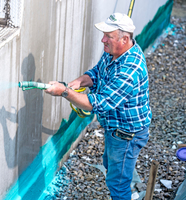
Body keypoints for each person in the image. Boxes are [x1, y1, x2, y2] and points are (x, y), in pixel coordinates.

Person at [45, 13, 152, 200]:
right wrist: (78, 82)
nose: (103, 40)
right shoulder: (113, 51)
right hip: (114, 129)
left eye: (108, 36)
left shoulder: (130, 71)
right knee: (111, 166)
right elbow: (97, 72)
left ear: (124, 39)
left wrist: (64, 92)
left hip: (127, 134)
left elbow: (97, 103)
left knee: (117, 183)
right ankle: (127, 180)